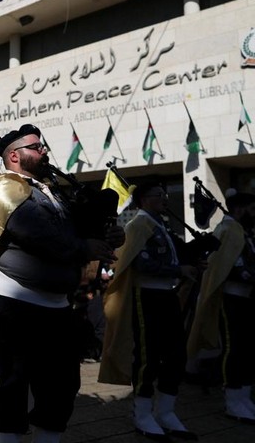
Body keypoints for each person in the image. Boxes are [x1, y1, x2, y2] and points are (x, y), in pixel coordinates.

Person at [0, 124, 121, 443]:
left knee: (61, 384)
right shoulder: (5, 190)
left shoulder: (49, 192)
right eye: (36, 147)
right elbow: (39, 233)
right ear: (14, 155)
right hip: (15, 303)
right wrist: (84, 246)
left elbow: (73, 231)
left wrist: (105, 234)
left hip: (58, 304)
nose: (44, 152)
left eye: (42, 147)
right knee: (12, 383)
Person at [100, 180, 200, 439]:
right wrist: (179, 270)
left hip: (167, 295)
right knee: (149, 356)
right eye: (158, 194)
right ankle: (142, 413)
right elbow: (141, 264)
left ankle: (165, 411)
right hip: (147, 297)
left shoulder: (160, 225)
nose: (164, 198)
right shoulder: (139, 225)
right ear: (143, 199)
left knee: (177, 354)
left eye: (165, 193)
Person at [186, 190, 255, 423]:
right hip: (231, 297)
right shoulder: (226, 230)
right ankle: (233, 399)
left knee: (246, 349)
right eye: (252, 209)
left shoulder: (243, 231)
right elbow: (226, 266)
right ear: (239, 208)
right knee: (234, 348)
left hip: (246, 297)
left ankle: (244, 397)